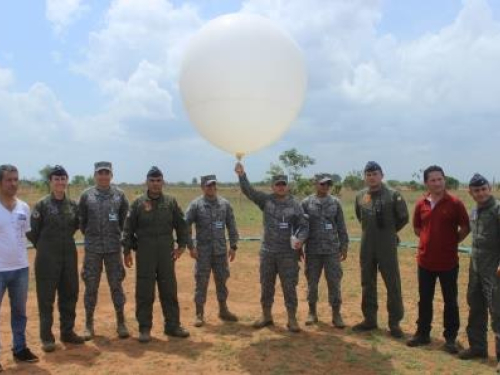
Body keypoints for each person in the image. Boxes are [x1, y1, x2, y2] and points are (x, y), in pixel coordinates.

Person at [235, 162, 308, 332]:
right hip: (268, 252)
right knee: (266, 284)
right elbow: (249, 192)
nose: (281, 187)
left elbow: (304, 226)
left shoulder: (295, 204)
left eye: (283, 184)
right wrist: (241, 175)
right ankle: (266, 315)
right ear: (272, 186)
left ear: (287, 186)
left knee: (289, 286)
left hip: (288, 254)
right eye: (278, 184)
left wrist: (300, 240)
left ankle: (291, 319)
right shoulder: (266, 200)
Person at [122, 166, 190, 343]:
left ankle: (173, 326)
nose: (155, 184)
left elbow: (182, 225)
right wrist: (127, 250)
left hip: (166, 253)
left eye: (158, 180)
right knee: (144, 291)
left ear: (163, 182)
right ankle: (144, 328)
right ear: (146, 182)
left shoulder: (171, 202)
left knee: (169, 289)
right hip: (145, 252)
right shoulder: (137, 203)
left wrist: (182, 245)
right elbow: (128, 228)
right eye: (152, 180)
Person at [407, 165, 470, 353]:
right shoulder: (421, 204)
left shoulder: (456, 203)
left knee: (450, 301)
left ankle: (450, 338)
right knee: (424, 300)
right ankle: (422, 334)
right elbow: (417, 228)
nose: (437, 183)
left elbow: (465, 228)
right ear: (426, 182)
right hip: (425, 261)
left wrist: (451, 242)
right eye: (432, 180)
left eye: (440, 179)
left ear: (445, 180)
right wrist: (429, 241)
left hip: (448, 262)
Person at [27, 165, 84, 352]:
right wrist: (45, 247)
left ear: (67, 181)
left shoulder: (73, 205)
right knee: (46, 297)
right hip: (46, 257)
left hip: (68, 254)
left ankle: (67, 332)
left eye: (63, 178)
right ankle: (47, 338)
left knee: (70, 293)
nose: (60, 182)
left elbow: (76, 226)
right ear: (50, 182)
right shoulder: (42, 205)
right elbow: (33, 232)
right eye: (56, 179)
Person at [353, 161, 409, 338]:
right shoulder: (361, 196)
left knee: (392, 284)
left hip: (387, 246)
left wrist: (390, 232)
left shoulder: (393, 195)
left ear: (382, 175)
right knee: (367, 283)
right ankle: (370, 320)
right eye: (368, 174)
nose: (371, 177)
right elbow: (359, 216)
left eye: (374, 174)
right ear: (365, 177)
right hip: (367, 245)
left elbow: (403, 218)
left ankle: (394, 323)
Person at [79, 161, 129, 340]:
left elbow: (125, 220)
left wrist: (116, 235)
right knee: (90, 287)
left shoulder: (120, 195)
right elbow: (82, 222)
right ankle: (88, 324)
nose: (103, 176)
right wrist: (92, 236)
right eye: (100, 173)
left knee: (116, 285)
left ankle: (121, 322)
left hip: (113, 249)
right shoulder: (86, 196)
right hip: (93, 250)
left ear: (111, 175)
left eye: (106, 173)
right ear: (95, 175)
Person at [458, 174, 500, 370]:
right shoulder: (474, 210)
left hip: (495, 271)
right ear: (471, 192)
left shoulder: (497, 209)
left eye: (483, 189)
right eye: (476, 190)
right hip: (476, 269)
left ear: (489, 188)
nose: (481, 193)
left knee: (497, 310)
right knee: (475, 306)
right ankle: (478, 347)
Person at [185, 175, 239, 327]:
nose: (211, 188)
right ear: (202, 187)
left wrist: (233, 246)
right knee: (201, 282)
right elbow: (185, 225)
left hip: (220, 251)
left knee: (222, 281)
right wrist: (190, 246)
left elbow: (232, 225)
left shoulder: (225, 204)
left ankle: (223, 310)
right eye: (208, 185)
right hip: (202, 252)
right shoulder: (196, 205)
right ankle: (199, 314)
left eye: (213, 185)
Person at [0, 164, 38, 370]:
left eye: (16, 179)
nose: (13, 183)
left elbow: (25, 234)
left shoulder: (24, 207)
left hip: (21, 268)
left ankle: (20, 348)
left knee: (20, 312)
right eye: (9, 179)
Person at [302, 173, 349, 328]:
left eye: (328, 184)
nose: (326, 187)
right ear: (315, 184)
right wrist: (298, 246)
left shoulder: (335, 203)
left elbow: (341, 226)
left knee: (334, 282)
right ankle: (312, 312)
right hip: (313, 250)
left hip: (331, 250)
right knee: (312, 282)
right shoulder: (306, 203)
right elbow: (300, 227)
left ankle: (336, 314)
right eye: (322, 184)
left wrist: (344, 246)